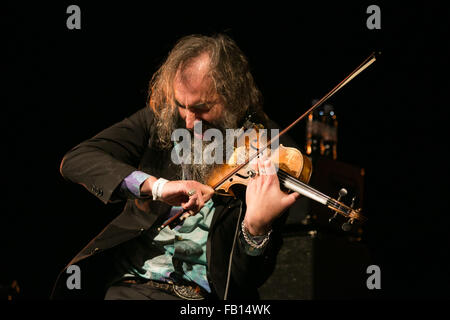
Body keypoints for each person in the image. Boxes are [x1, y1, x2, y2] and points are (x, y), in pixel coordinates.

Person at [52, 33, 302, 300]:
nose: (190, 122)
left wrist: (255, 228)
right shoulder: (163, 119)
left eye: (202, 108)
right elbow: (78, 160)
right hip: (131, 285)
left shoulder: (273, 151)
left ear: (233, 95)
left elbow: (244, 280)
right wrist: (157, 187)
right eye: (183, 106)